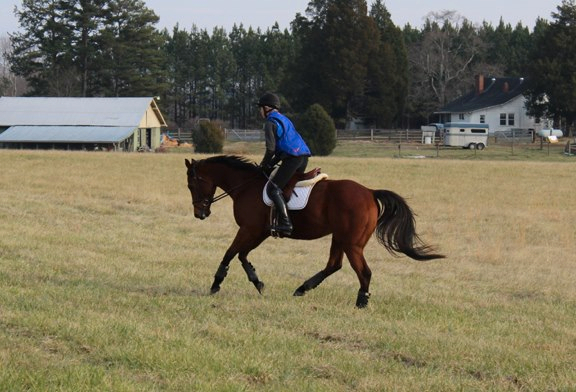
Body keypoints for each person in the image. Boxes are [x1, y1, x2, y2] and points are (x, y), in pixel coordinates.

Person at [256, 92, 311, 236]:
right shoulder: (284, 119)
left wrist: (263, 164)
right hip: (302, 156)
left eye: (260, 108)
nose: (259, 111)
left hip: (293, 158)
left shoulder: (270, 123)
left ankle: (286, 224)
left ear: (266, 108)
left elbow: (271, 149)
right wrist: (270, 164)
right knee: (286, 186)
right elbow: (280, 151)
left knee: (273, 189)